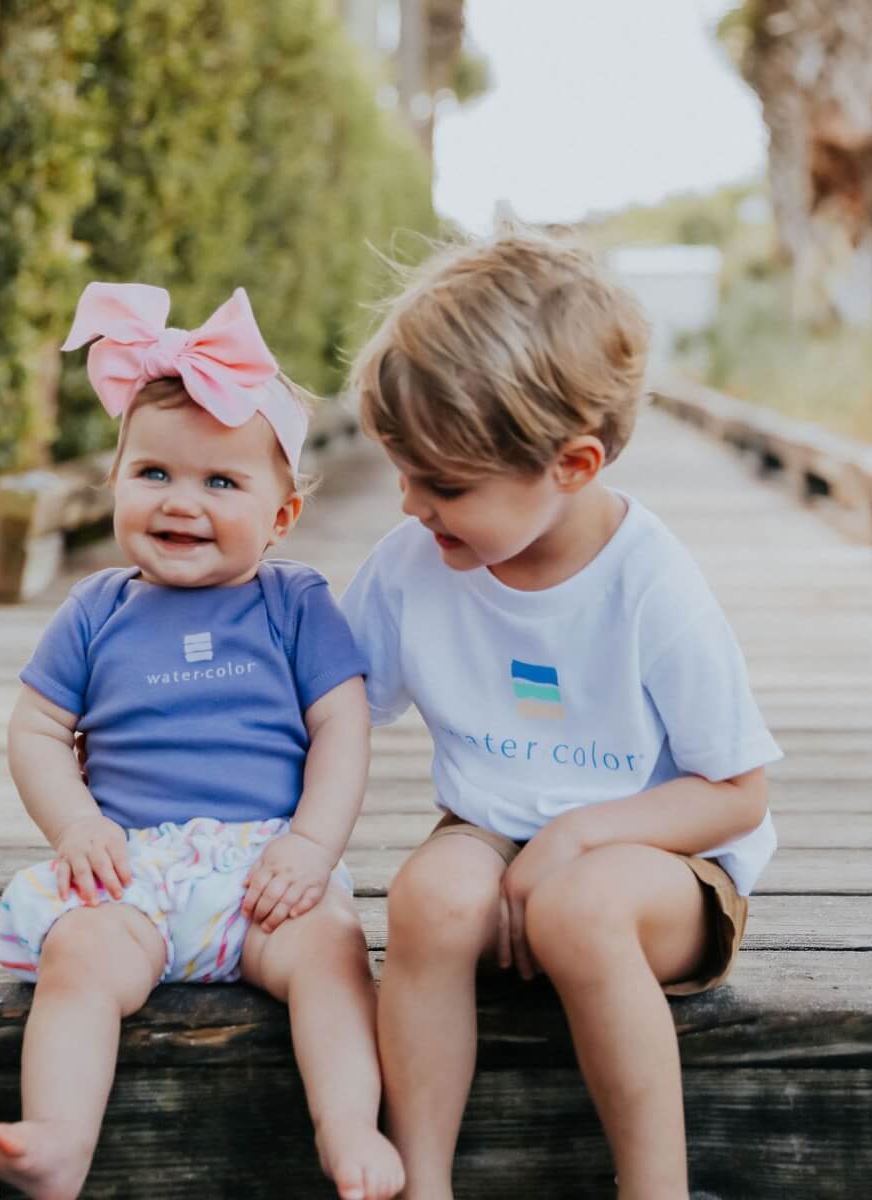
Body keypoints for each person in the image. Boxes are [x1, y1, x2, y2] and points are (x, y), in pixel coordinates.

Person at [340, 231, 782, 1199]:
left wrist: (581, 837)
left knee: (580, 912)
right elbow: (332, 704)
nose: (411, 505)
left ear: (573, 464)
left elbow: (736, 794)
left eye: (444, 485)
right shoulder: (415, 564)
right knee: (425, 897)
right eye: (401, 473)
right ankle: (423, 1180)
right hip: (491, 835)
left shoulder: (649, 584)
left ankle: (651, 1188)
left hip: (663, 862)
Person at [0, 282, 403, 1200]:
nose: (181, 503)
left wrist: (312, 847)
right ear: (117, 480)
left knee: (332, 950)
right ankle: (57, 1139)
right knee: (80, 958)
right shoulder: (98, 608)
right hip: (130, 871)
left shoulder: (295, 604)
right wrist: (75, 826)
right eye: (154, 474)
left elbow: (342, 726)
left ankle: (349, 1128)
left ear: (281, 517)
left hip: (264, 873)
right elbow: (39, 729)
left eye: (222, 482)